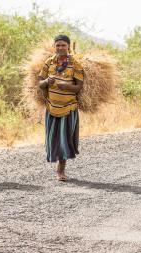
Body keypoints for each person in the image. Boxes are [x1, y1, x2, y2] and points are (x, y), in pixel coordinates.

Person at [38, 35, 84, 181]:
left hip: (69, 108)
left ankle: (60, 171)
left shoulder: (75, 64)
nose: (60, 48)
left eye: (63, 45)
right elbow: (40, 83)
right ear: (54, 47)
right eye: (58, 45)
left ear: (68, 47)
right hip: (52, 108)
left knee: (64, 140)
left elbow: (78, 87)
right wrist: (46, 81)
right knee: (53, 139)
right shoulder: (49, 62)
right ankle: (58, 167)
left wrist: (66, 86)